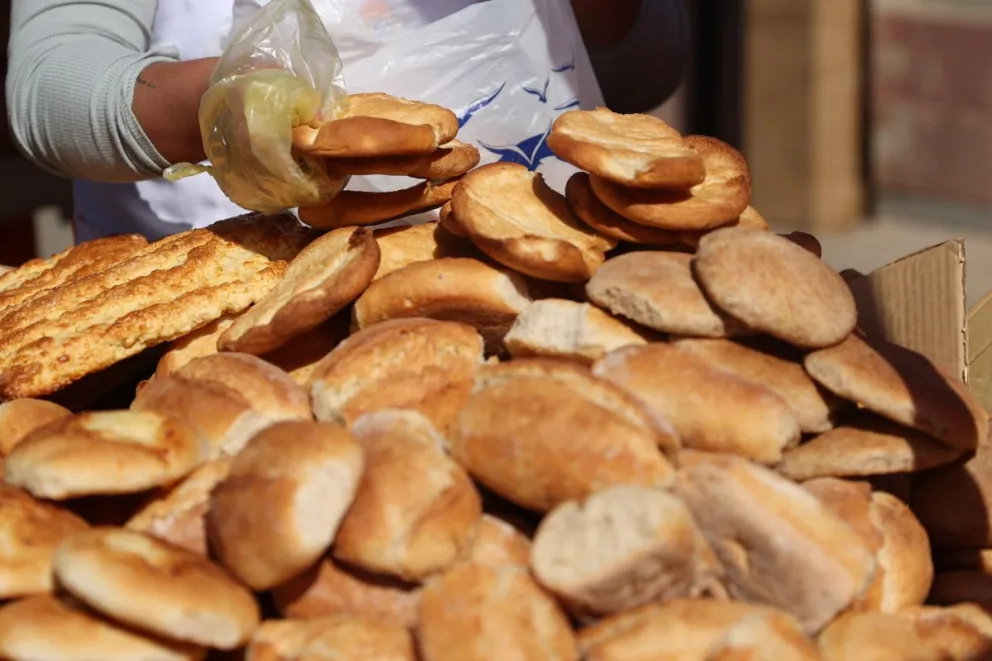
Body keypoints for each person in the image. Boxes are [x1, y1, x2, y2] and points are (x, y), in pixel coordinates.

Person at [6, 0, 689, 243]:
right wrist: (230, 110)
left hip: (522, 270)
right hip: (204, 308)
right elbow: (50, 86)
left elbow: (643, 71)